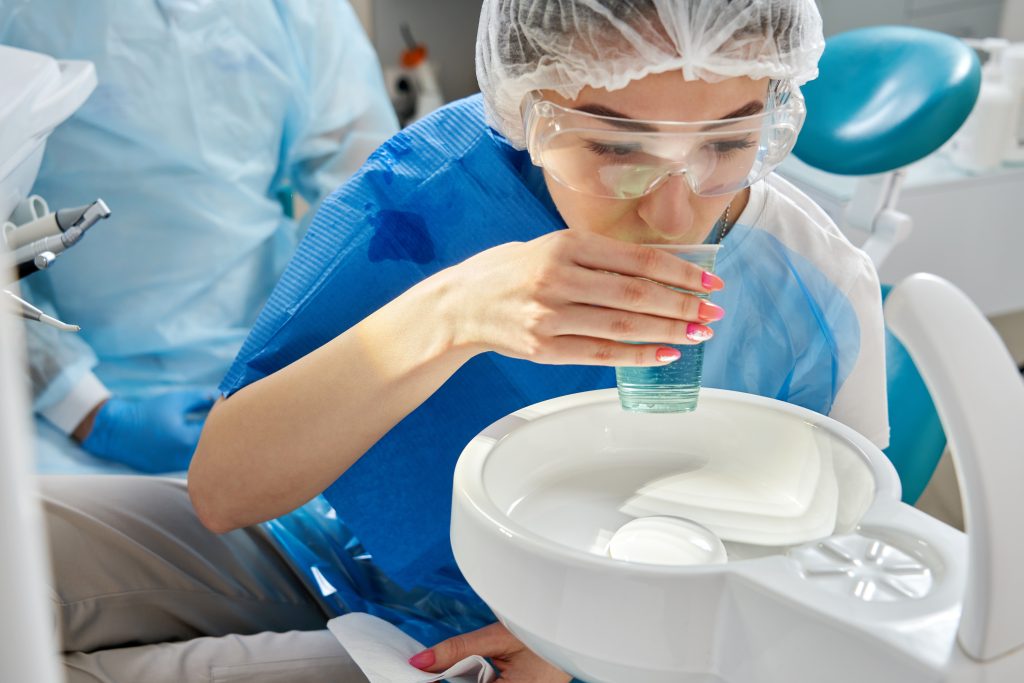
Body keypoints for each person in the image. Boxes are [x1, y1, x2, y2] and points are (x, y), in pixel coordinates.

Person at [41, 1, 889, 681]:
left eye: (729, 142)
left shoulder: (814, 290)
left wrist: (592, 647)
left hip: (534, 645)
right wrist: (453, 311)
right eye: (615, 146)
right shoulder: (428, 197)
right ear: (531, 107)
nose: (673, 212)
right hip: (330, 538)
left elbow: (836, 580)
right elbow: (225, 490)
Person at [1, 0, 398, 474]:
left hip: (273, 376)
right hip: (61, 414)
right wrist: (83, 407)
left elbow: (362, 193)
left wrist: (303, 374)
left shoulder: (299, 12)